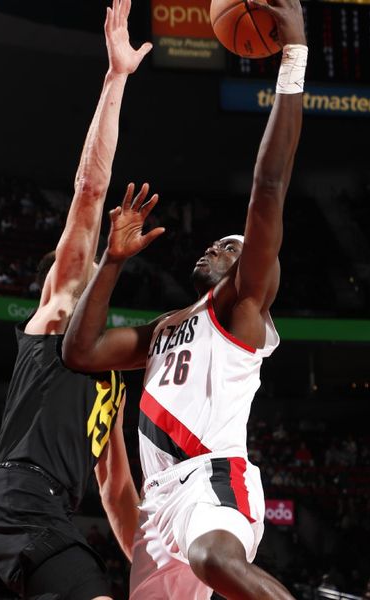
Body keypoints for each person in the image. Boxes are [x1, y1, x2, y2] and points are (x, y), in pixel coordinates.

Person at [62, 1, 307, 598]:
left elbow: (268, 187)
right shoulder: (169, 325)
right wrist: (112, 262)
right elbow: (81, 351)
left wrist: (294, 55)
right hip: (159, 505)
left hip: (213, 477)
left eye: (229, 246)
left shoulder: (241, 307)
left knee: (213, 558)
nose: (214, 248)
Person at [0, 1, 149, 598]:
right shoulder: (60, 313)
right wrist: (115, 79)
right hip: (21, 497)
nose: (87, 262)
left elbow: (119, 492)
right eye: (80, 262)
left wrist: (152, 574)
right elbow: (92, 190)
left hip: (30, 512)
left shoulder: (112, 380)